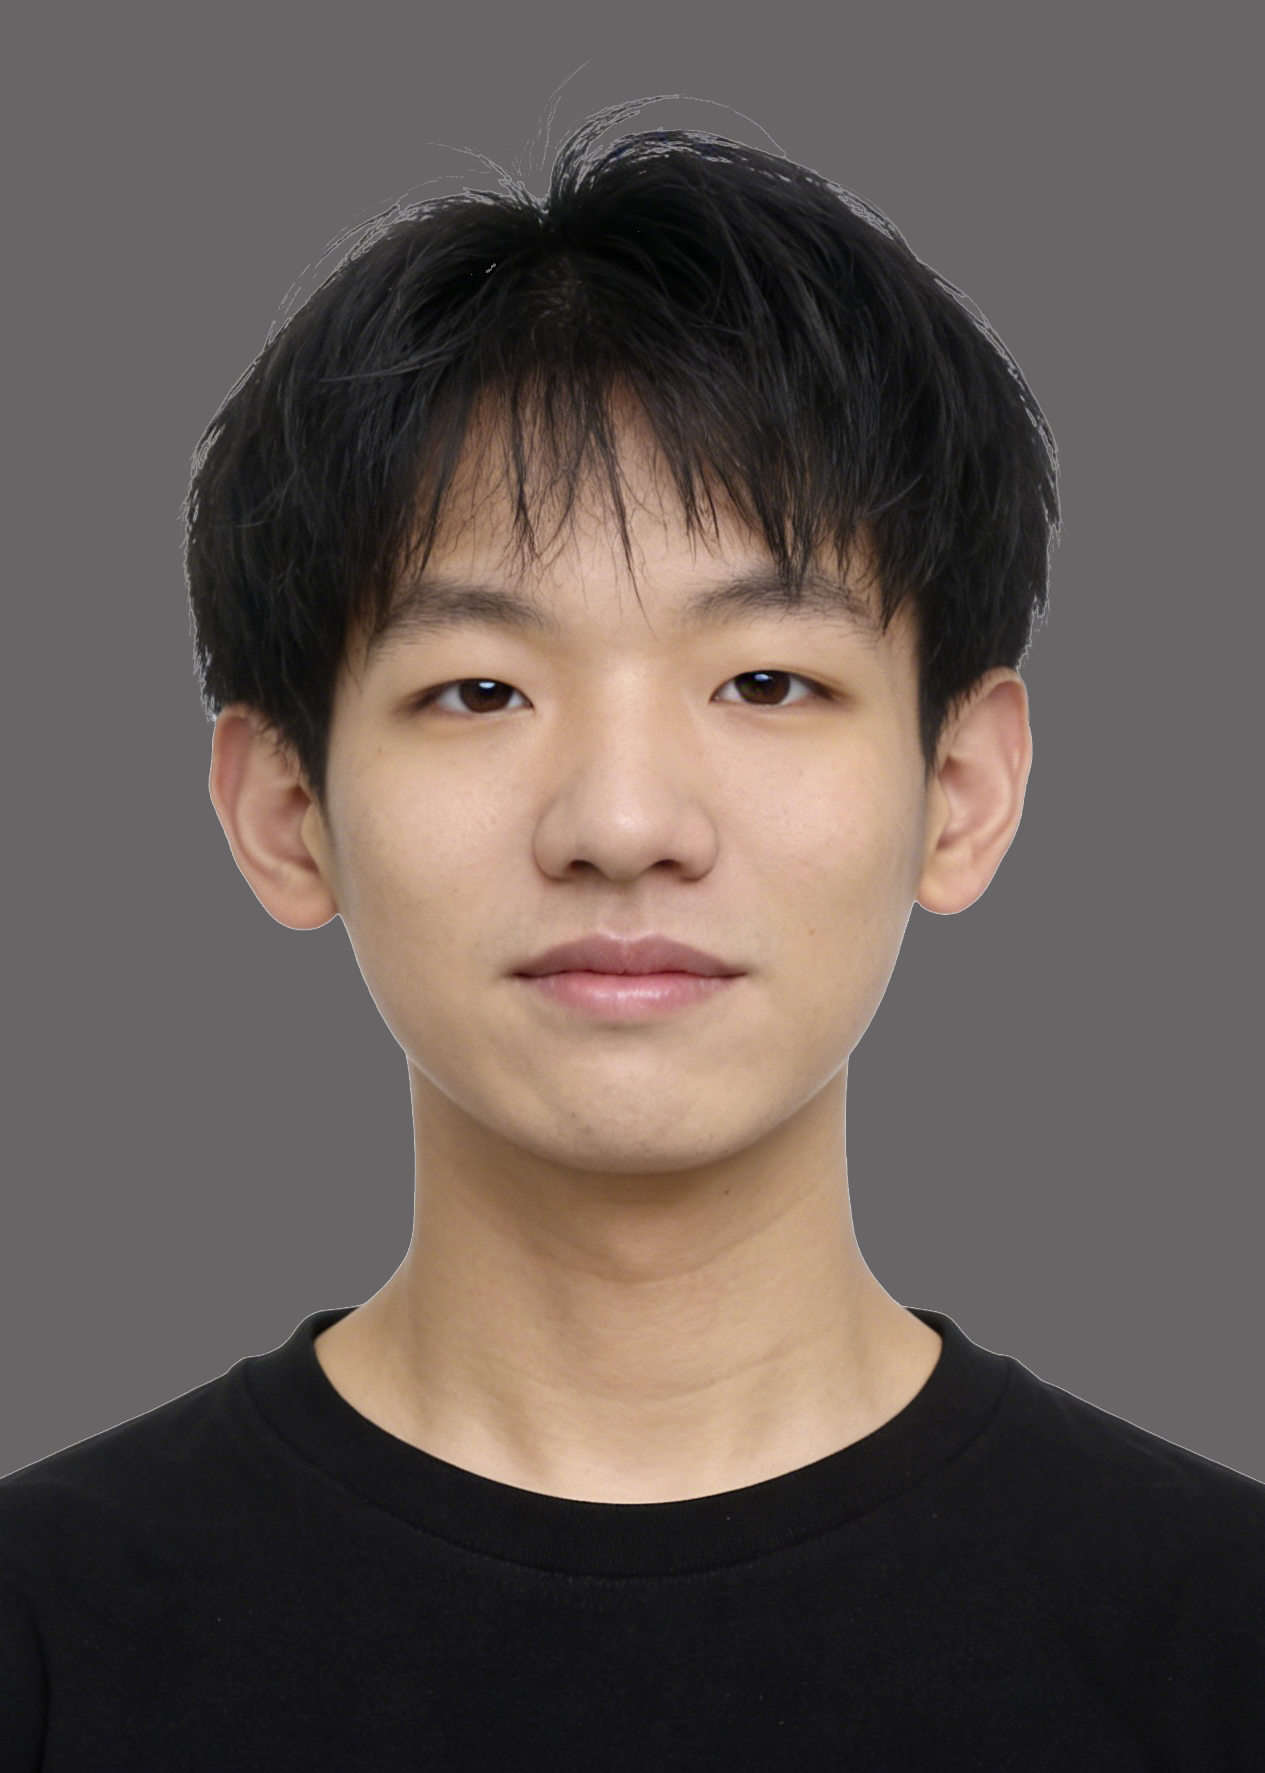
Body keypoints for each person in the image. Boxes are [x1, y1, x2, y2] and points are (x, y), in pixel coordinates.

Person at [3, 94, 1261, 1768]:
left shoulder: (1218, 1639)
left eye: (765, 680)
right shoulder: (45, 1634)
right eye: (479, 688)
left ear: (958, 788)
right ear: (285, 807)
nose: (620, 820)